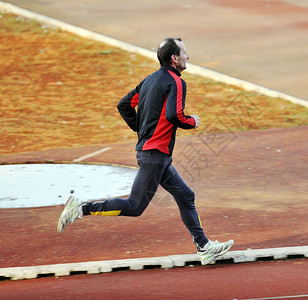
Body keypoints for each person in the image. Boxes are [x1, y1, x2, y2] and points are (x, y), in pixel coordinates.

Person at [57, 37, 233, 265]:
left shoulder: (150, 81)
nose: (187, 57)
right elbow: (174, 115)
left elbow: (124, 105)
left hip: (156, 156)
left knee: (185, 195)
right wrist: (193, 122)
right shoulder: (176, 82)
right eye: (185, 53)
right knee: (135, 206)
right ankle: (81, 209)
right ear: (174, 58)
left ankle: (204, 246)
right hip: (154, 156)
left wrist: (141, 131)